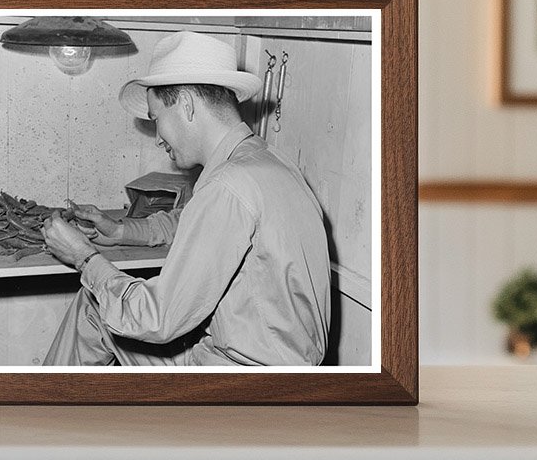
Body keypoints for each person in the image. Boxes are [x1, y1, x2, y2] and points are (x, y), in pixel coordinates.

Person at [41, 30, 331, 366]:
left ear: (187, 105)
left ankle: (38, 413)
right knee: (96, 304)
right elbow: (198, 222)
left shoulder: (227, 185)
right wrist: (121, 231)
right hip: (285, 367)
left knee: (97, 302)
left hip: (238, 384)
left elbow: (156, 319)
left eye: (156, 119)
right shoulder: (267, 163)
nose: (157, 139)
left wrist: (83, 257)